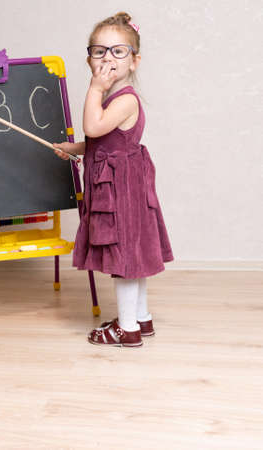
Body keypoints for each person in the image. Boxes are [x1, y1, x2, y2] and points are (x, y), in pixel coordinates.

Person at [54, 12, 174, 347]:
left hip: (121, 189)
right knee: (132, 254)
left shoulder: (123, 99)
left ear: (134, 62)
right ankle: (141, 319)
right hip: (121, 183)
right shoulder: (110, 100)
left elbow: (93, 127)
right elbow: (101, 139)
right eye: (99, 51)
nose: (108, 58)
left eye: (118, 52)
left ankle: (127, 328)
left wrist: (95, 86)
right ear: (89, 58)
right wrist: (75, 148)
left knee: (124, 257)